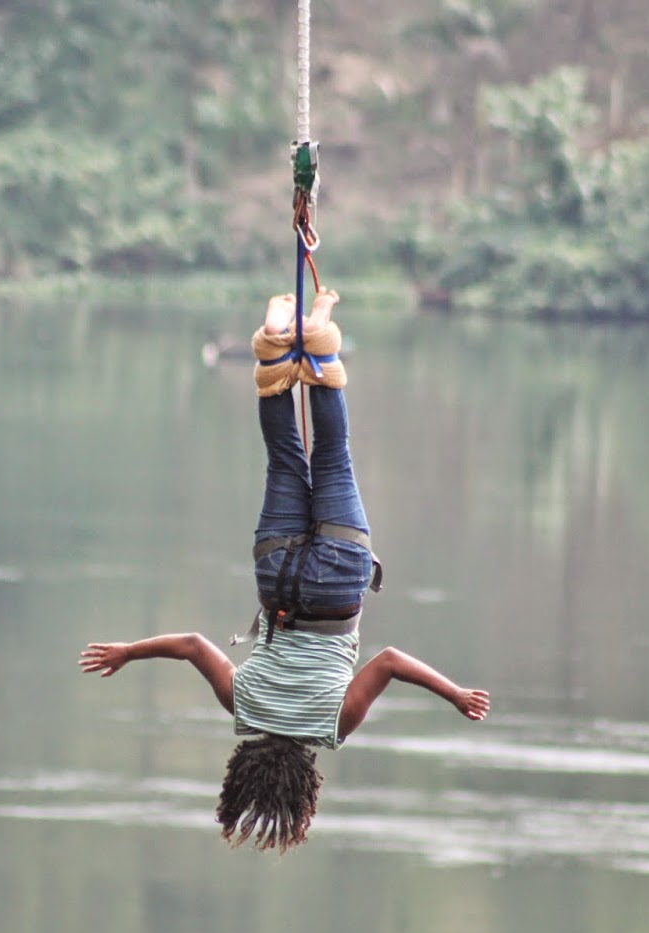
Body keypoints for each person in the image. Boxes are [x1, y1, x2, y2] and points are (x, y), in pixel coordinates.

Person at [78, 289, 490, 853]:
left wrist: (455, 694)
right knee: (284, 454)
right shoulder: (240, 704)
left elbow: (390, 662)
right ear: (240, 767)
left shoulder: (332, 728)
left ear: (304, 787)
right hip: (277, 575)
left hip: (341, 579)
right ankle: (276, 347)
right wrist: (128, 651)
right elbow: (196, 646)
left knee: (333, 453)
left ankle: (319, 343)